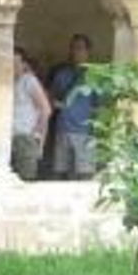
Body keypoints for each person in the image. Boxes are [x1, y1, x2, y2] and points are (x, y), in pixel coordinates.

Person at [48, 33, 96, 179]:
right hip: (63, 129)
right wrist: (56, 104)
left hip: (85, 131)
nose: (76, 52)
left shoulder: (95, 76)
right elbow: (50, 98)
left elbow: (99, 105)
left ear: (88, 52)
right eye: (73, 48)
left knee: (85, 174)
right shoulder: (62, 74)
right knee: (62, 174)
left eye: (80, 48)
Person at [10, 46, 52, 181]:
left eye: (16, 63)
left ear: (24, 64)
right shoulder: (8, 82)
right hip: (9, 137)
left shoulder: (29, 80)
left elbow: (46, 109)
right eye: (10, 63)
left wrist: (37, 134)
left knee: (26, 179)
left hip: (25, 137)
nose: (13, 66)